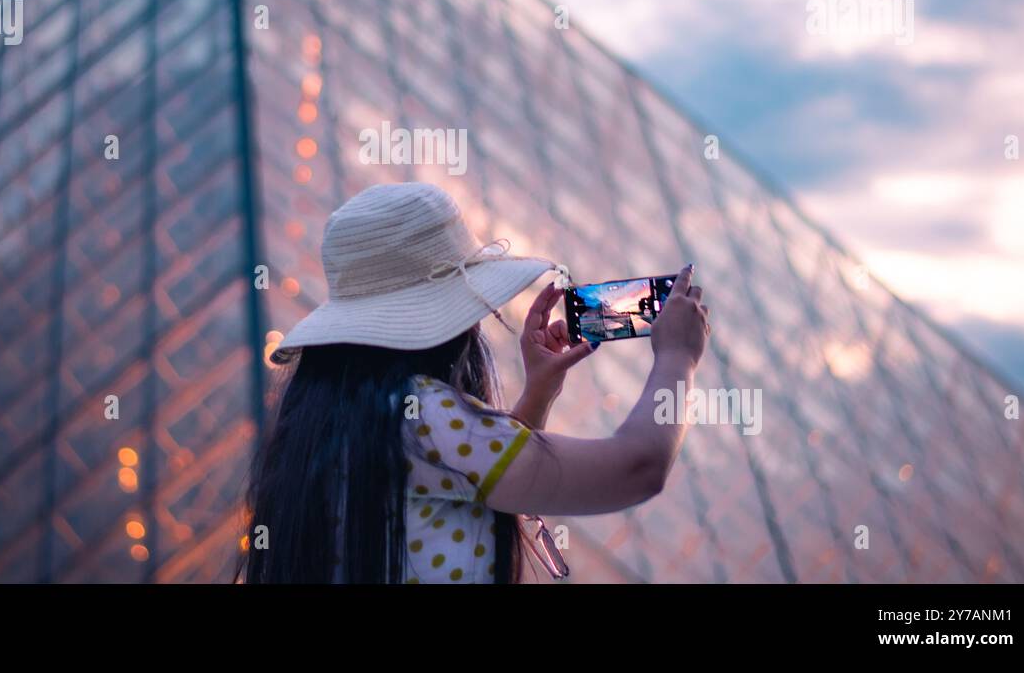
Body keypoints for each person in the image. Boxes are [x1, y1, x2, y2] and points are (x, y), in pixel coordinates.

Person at [239, 182, 710, 583]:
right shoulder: (427, 416)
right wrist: (676, 358)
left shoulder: (321, 424)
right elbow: (638, 469)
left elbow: (474, 484)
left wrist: (539, 395)